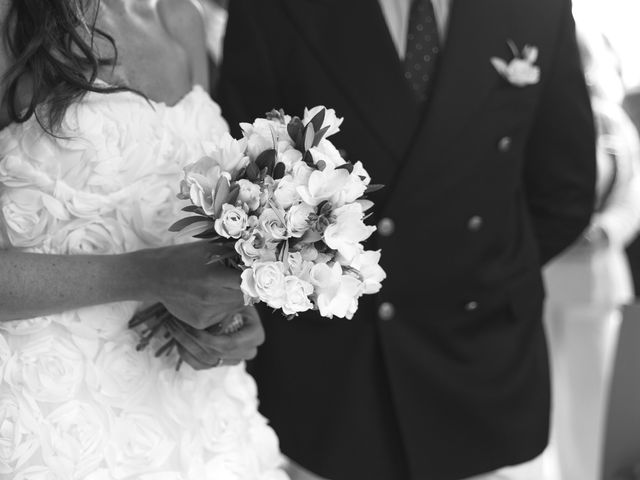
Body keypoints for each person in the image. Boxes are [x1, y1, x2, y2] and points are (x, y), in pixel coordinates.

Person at [216, 0, 597, 479]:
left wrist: (483, 270)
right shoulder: (275, 8)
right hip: (338, 376)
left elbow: (565, 191)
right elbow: (245, 181)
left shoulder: (538, 8)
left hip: (484, 357)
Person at [0, 0, 287, 478]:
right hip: (51, 421)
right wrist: (149, 274)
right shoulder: (10, 23)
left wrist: (231, 314)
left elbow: (181, 222)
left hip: (196, 418)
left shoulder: (183, 21)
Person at [543, 21, 640, 480]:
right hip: (541, 279)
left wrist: (603, 232)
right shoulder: (537, 117)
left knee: (591, 398)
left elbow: (634, 196)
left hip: (598, 280)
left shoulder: (616, 123)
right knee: (538, 401)